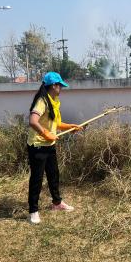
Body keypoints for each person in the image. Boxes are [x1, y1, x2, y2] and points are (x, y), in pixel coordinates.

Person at [27, 72, 81, 224]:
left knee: (53, 174)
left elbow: (56, 123)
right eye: (60, 86)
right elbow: (33, 121)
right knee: (37, 179)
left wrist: (70, 126)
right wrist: (45, 134)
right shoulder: (42, 101)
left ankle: (57, 203)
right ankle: (33, 211)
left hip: (49, 145)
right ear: (53, 86)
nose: (61, 88)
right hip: (37, 145)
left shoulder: (54, 100)